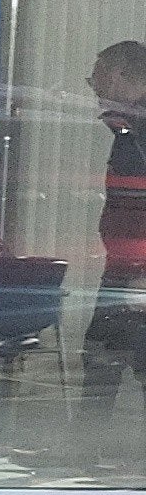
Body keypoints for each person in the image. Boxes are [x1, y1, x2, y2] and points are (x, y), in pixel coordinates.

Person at [90, 42, 146, 408]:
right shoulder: (129, 128)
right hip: (126, 264)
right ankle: (89, 446)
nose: (93, 86)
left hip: (136, 268)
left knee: (104, 354)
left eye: (96, 77)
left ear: (121, 75)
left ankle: (91, 447)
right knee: (104, 354)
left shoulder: (140, 131)